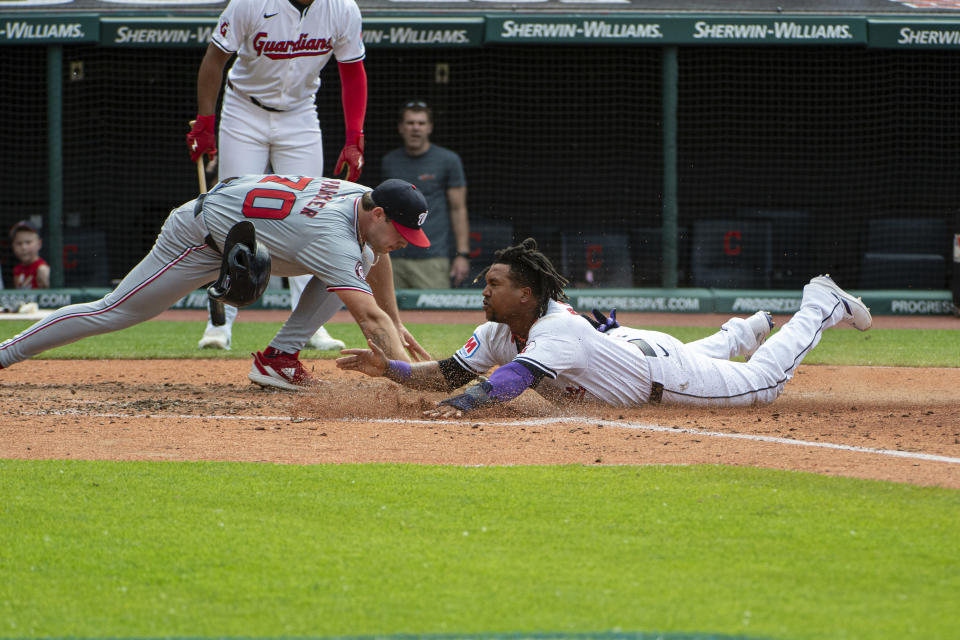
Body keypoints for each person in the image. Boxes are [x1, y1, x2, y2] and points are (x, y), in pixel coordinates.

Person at [336, 238, 872, 417]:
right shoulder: (503, 331)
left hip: (669, 376)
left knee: (766, 384)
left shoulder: (555, 331)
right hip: (633, 348)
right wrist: (393, 370)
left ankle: (818, 303)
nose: (484, 289)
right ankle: (746, 327)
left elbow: (510, 383)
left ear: (526, 293)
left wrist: (458, 409)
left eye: (494, 283)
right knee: (693, 352)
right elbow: (450, 373)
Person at [0, 176, 431, 389]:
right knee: (114, 312)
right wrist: (413, 381)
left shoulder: (362, 197)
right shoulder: (333, 236)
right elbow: (367, 317)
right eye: (402, 233)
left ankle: (277, 360)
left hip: (251, 235)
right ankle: (5, 353)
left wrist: (396, 321)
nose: (405, 243)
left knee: (366, 252)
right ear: (378, 215)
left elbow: (376, 256)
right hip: (198, 239)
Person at [185, 0, 368, 352]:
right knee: (231, 212)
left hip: (300, 114)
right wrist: (206, 121)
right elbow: (215, 58)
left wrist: (353, 137)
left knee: (312, 215)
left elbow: (353, 71)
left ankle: (310, 326)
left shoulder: (342, 8)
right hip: (244, 110)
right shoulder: (250, 4)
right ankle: (219, 321)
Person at [381, 100, 470, 289]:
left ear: (430, 127)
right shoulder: (389, 161)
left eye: (421, 123)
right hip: (393, 255)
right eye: (410, 123)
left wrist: (462, 254)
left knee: (435, 317)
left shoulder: (448, 160)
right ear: (401, 128)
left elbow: (458, 208)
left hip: (433, 257)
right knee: (387, 315)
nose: (415, 128)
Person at [9, 220, 50, 289]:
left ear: (39, 244)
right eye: (19, 243)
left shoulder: (42, 268)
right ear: (13, 246)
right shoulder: (17, 269)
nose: (23, 247)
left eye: (28, 242)